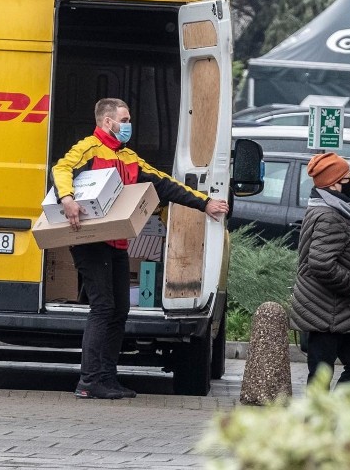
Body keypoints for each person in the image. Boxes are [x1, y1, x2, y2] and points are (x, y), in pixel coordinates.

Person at [51, 98, 229, 399]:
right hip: (89, 241)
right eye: (125, 119)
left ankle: (107, 378)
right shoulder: (89, 148)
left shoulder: (131, 157)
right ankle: (89, 380)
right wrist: (67, 199)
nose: (129, 124)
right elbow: (61, 169)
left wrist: (205, 203)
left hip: (117, 241)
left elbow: (166, 184)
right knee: (103, 307)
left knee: (120, 310)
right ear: (108, 122)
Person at [289, 152, 350, 388]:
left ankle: (330, 417)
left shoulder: (333, 209)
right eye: (348, 177)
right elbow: (320, 263)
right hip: (326, 311)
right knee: (322, 374)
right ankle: (318, 421)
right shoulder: (328, 216)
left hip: (335, 311)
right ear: (333, 184)